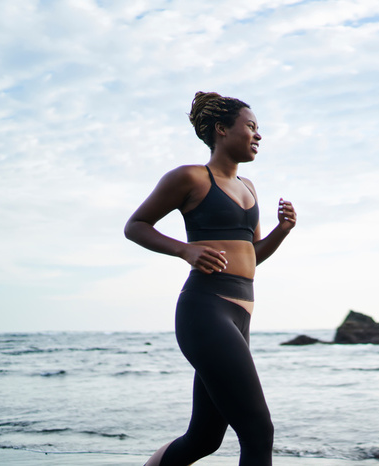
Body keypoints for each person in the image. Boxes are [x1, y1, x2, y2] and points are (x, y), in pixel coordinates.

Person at [124, 92, 297, 466]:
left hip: (240, 316)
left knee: (204, 437)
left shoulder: (249, 187)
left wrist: (282, 231)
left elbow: (252, 257)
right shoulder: (190, 177)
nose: (258, 135)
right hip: (205, 311)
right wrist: (185, 250)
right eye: (251, 127)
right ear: (221, 130)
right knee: (258, 431)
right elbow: (135, 226)